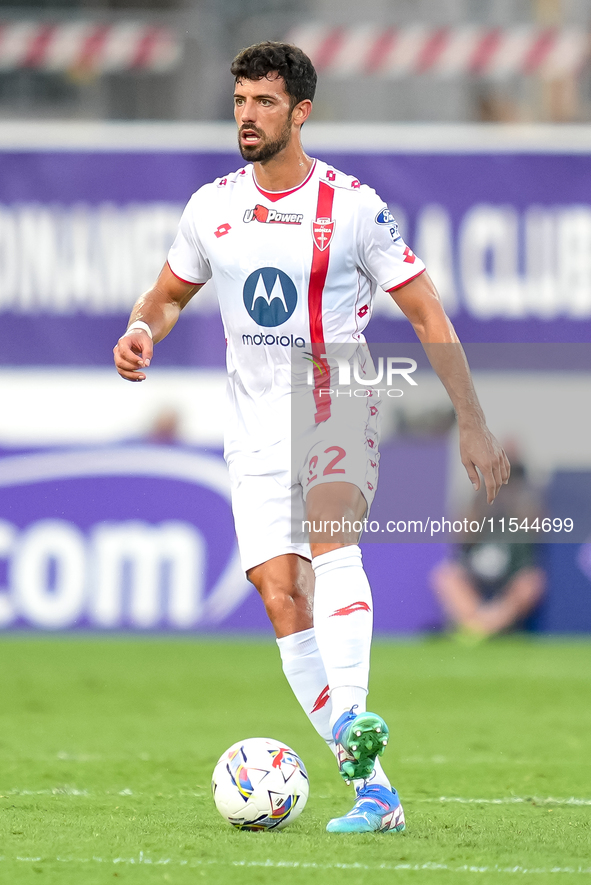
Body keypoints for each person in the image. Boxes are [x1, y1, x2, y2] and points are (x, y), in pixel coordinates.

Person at [113, 41, 510, 834]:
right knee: (279, 595)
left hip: (337, 402)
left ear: (300, 111)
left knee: (330, 545)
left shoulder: (354, 206)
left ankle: (355, 712)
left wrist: (471, 418)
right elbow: (166, 295)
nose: (246, 116)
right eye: (239, 101)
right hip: (251, 426)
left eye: (263, 102)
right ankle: (376, 792)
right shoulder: (210, 207)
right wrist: (139, 330)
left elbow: (427, 312)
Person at [432, 456, 545, 641]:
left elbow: (527, 568)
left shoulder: (522, 517)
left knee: (531, 584)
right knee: (445, 577)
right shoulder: (477, 514)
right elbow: (460, 552)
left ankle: (480, 629)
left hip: (507, 584)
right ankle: (479, 625)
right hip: (477, 582)